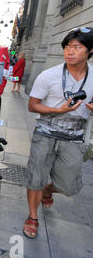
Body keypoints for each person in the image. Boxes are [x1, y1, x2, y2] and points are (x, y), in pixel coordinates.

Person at [24, 27, 93, 239]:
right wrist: (58, 109)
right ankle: (33, 217)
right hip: (45, 132)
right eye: (67, 47)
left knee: (68, 186)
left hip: (74, 136)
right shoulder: (49, 75)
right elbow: (32, 106)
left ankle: (47, 191)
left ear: (90, 51)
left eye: (77, 47)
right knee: (35, 177)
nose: (70, 52)